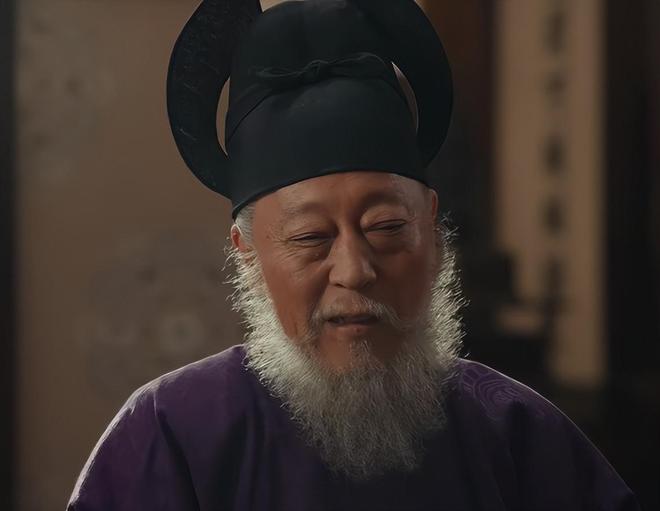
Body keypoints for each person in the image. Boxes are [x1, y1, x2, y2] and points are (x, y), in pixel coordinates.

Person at [67, 0, 639, 509]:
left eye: (385, 227)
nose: (355, 270)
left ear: (432, 231)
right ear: (247, 255)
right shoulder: (167, 436)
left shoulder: (518, 434)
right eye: (310, 237)